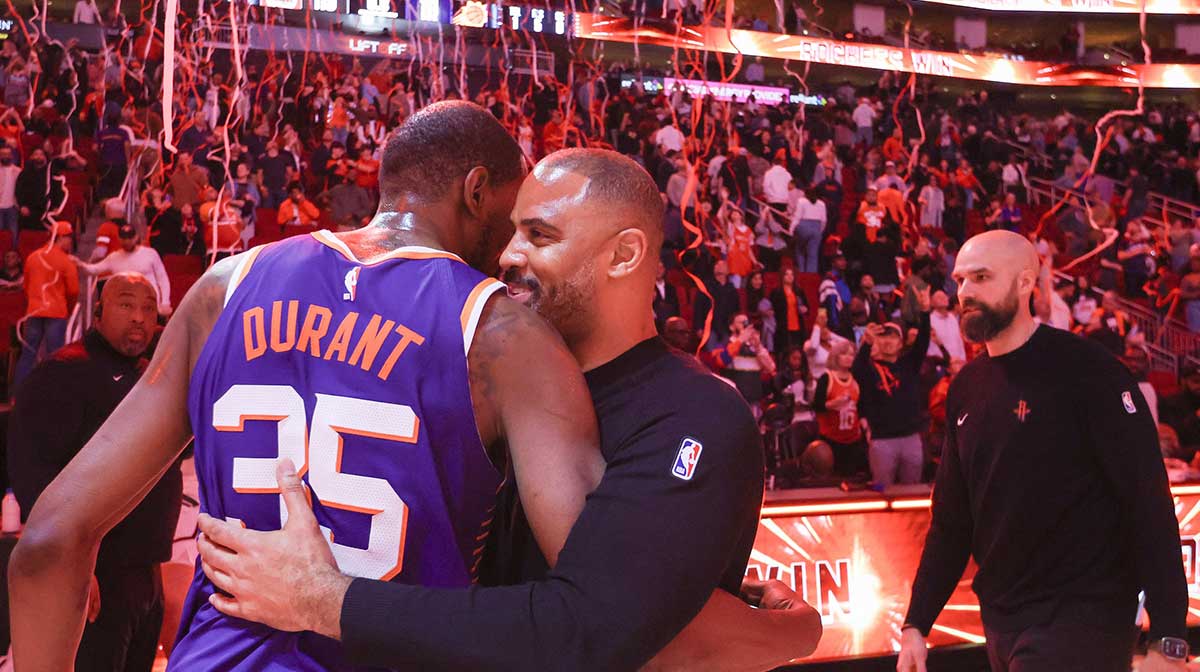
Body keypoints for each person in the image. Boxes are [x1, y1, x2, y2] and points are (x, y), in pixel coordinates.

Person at [10, 101, 606, 671]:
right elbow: (602, 607)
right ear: (476, 192)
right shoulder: (505, 337)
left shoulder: (224, 288)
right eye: (511, 217)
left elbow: (47, 543)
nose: (510, 249)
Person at [191, 148, 821, 670]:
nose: (507, 255)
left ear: (624, 255)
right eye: (513, 229)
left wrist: (324, 601)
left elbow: (597, 628)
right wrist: (787, 632)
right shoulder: (472, 369)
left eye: (539, 235)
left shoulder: (694, 415)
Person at [897, 230, 1188, 672]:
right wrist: (916, 623)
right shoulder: (965, 388)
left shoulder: (1089, 371)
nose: (965, 292)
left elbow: (1146, 500)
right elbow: (952, 521)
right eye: (959, 280)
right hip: (1002, 618)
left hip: (1085, 613)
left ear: (1024, 282)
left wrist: (1169, 637)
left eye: (981, 277)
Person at [8, 273, 178, 672]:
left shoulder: (152, 374)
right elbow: (33, 470)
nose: (139, 317)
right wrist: (69, 564)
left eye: (148, 308)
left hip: (146, 572)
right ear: (98, 313)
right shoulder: (64, 372)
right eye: (126, 304)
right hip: (94, 574)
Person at [852, 308, 931, 487]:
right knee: (880, 489)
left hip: (911, 438)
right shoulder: (869, 368)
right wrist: (866, 344)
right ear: (877, 341)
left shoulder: (909, 364)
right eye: (883, 337)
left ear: (901, 343)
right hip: (882, 440)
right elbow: (857, 370)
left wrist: (925, 312)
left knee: (912, 491)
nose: (888, 341)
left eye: (893, 337)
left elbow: (923, 341)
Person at [15, 221, 79, 385]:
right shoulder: (66, 261)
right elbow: (73, 291)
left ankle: (19, 392)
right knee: (55, 356)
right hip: (56, 313)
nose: (71, 241)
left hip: (34, 311)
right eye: (69, 237)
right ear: (61, 237)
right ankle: (53, 392)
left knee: (28, 355)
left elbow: (26, 286)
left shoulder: (33, 257)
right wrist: (68, 309)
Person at [76, 224, 173, 316]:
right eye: (124, 238)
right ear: (119, 238)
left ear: (136, 237)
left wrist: (165, 302)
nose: (127, 241)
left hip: (149, 303)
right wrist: (80, 264)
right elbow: (94, 269)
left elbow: (162, 279)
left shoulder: (150, 254)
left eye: (130, 238)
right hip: (125, 307)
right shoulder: (114, 258)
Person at [812, 339, 867, 478]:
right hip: (831, 440)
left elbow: (861, 407)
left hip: (854, 440)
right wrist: (833, 404)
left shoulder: (856, 379)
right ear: (836, 356)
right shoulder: (827, 378)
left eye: (852, 355)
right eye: (845, 354)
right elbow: (816, 406)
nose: (849, 358)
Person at [790, 186, 826, 274]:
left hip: (804, 227)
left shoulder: (801, 201)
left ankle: (801, 271)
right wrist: (819, 231)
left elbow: (797, 217)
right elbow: (824, 221)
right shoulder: (822, 204)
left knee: (800, 249)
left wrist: (791, 229)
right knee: (813, 255)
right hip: (816, 228)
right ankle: (811, 275)